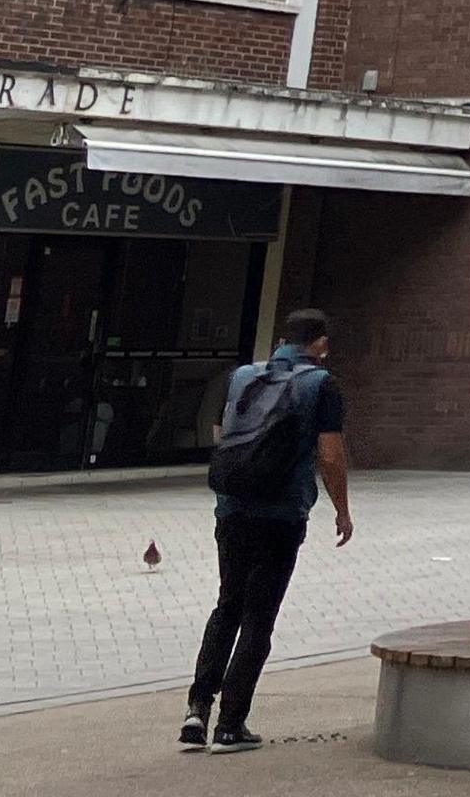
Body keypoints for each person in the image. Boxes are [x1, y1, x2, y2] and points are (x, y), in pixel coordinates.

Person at [184, 310, 350, 755]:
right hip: (281, 514)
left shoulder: (242, 376)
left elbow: (223, 432)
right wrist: (343, 511)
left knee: (228, 604)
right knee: (260, 617)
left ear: (280, 340)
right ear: (320, 344)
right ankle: (231, 726)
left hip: (232, 507)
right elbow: (331, 456)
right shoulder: (322, 385)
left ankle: (197, 710)